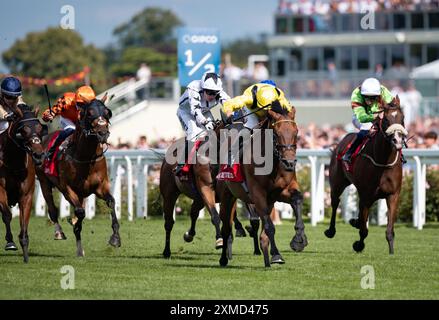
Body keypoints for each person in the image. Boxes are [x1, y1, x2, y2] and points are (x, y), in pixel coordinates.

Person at [220, 80, 293, 170]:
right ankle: (232, 155)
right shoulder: (249, 97)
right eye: (265, 109)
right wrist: (229, 113)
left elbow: (289, 112)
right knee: (248, 129)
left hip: (274, 110)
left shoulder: (279, 95)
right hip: (252, 111)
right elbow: (229, 104)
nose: (267, 111)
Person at [175, 72, 230, 175]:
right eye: (209, 92)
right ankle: (181, 164)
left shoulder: (219, 93)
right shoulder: (194, 88)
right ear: (203, 88)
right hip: (187, 112)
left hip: (205, 111)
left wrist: (235, 114)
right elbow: (195, 111)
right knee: (194, 133)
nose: (212, 95)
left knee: (216, 131)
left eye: (215, 93)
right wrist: (205, 122)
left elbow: (229, 104)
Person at [342, 77, 396, 164]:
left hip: (380, 115)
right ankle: (349, 154)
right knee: (366, 127)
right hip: (360, 118)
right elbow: (362, 117)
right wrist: (376, 116)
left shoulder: (383, 91)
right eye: (366, 97)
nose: (369, 101)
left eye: (373, 98)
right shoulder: (356, 94)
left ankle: (400, 154)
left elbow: (393, 107)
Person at [42, 85, 96, 161]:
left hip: (79, 120)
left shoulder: (93, 106)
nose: (83, 107)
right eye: (80, 104)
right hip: (66, 118)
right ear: (76, 100)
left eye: (86, 105)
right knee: (71, 129)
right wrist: (49, 115)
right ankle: (52, 150)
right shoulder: (67, 100)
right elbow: (53, 110)